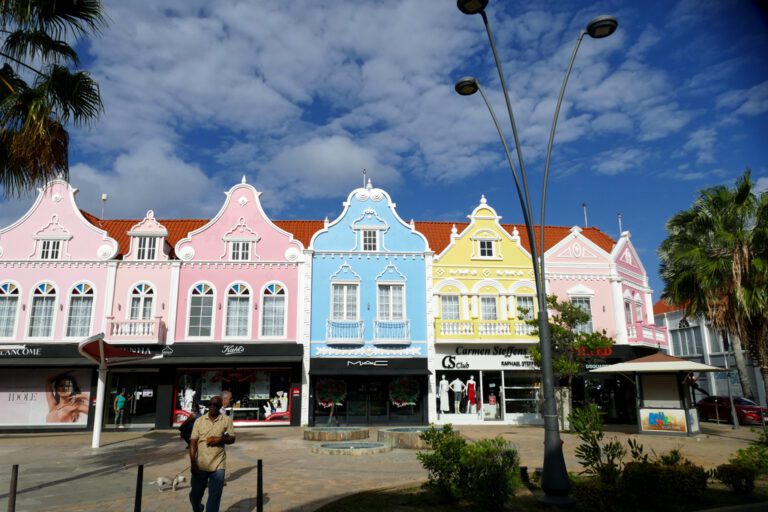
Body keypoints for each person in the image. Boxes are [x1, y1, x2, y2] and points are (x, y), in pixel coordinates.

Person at [189, 395, 236, 512]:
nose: (212, 407)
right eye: (210, 404)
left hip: (218, 464)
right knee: (195, 496)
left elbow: (232, 438)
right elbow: (193, 442)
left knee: (214, 497)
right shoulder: (199, 421)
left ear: (220, 406)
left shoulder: (226, 420)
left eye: (215, 405)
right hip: (201, 464)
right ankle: (198, 507)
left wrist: (221, 439)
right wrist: (193, 462)